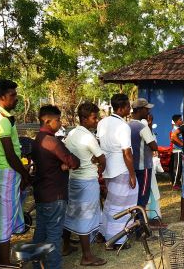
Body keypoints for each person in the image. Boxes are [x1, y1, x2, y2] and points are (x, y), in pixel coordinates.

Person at [31, 105, 80, 269]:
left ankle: (37, 265)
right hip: (54, 194)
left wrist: (63, 164)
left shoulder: (38, 139)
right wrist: (66, 163)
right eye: (57, 120)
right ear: (47, 121)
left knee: (41, 232)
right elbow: (73, 161)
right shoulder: (51, 141)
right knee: (53, 234)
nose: (60, 123)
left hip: (42, 192)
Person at [0, 79, 31, 265]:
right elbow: (11, 155)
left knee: (3, 219)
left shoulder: (3, 118)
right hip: (6, 171)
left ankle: (1, 262)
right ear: (1, 98)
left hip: (6, 171)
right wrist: (26, 174)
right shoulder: (2, 121)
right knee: (4, 222)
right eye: (12, 95)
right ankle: (3, 264)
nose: (16, 99)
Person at [62, 102, 107, 266]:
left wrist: (93, 161)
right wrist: (100, 169)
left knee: (71, 212)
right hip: (87, 181)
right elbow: (102, 158)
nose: (97, 121)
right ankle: (87, 256)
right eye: (94, 118)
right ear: (84, 119)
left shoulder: (72, 133)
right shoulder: (88, 137)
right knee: (86, 217)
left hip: (73, 179)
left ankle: (65, 246)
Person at [97, 94, 137, 251]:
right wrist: (132, 174)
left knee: (110, 204)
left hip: (108, 168)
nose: (129, 109)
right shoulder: (123, 126)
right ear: (120, 108)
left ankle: (104, 233)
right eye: (128, 106)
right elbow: (127, 153)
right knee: (122, 206)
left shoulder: (102, 122)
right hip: (121, 169)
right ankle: (116, 240)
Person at [128, 98, 159, 214]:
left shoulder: (128, 125)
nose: (148, 112)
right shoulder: (142, 127)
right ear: (140, 110)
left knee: (134, 196)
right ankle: (139, 226)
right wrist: (150, 126)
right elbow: (154, 146)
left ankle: (135, 223)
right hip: (144, 167)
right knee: (143, 197)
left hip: (132, 166)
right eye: (146, 109)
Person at [169, 114, 184, 190]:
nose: (182, 121)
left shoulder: (179, 129)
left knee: (180, 168)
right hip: (177, 151)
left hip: (180, 150)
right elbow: (173, 140)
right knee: (177, 168)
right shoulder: (174, 130)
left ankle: (178, 182)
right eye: (180, 120)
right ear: (176, 121)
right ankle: (175, 184)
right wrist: (181, 145)